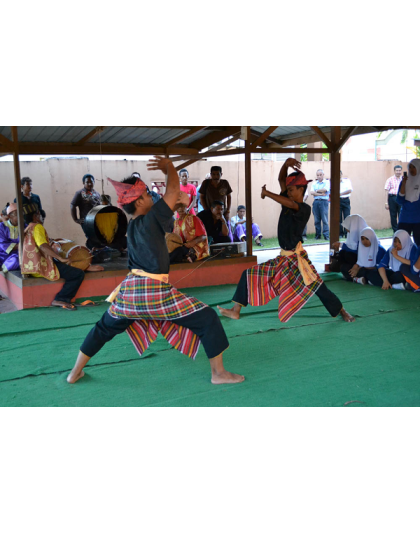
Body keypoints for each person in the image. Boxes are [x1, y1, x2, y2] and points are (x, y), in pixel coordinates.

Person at [67, 157, 244, 386]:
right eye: (148, 194)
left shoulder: (133, 226)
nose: (152, 196)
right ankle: (218, 374)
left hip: (130, 292)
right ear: (139, 202)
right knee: (208, 318)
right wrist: (169, 166)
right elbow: (172, 191)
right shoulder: (150, 219)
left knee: (103, 328)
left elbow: (172, 197)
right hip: (154, 291)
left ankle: (75, 372)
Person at [218, 158, 355, 324]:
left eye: (291, 190)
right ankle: (235, 310)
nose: (288, 192)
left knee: (318, 286)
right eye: (287, 190)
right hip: (283, 258)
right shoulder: (287, 202)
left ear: (301, 189)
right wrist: (285, 165)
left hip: (298, 259)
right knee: (248, 273)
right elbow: (281, 180)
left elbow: (290, 202)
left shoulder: (304, 208)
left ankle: (341, 310)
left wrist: (268, 194)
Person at [20, 210, 102, 309]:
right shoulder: (37, 227)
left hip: (32, 266)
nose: (42, 219)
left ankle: (86, 268)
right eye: (41, 216)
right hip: (41, 267)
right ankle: (61, 299)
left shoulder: (28, 227)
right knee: (77, 274)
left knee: (65, 265)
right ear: (35, 216)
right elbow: (43, 246)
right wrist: (59, 257)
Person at [70, 174, 101, 248]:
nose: (90, 184)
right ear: (83, 183)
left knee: (99, 238)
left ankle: (97, 255)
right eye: (87, 182)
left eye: (92, 182)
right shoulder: (79, 193)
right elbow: (72, 205)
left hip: (97, 221)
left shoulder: (97, 194)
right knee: (92, 238)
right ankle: (92, 256)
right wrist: (76, 219)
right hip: (86, 221)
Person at [396, 159, 420, 245]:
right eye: (409, 167)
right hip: (405, 217)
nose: (411, 169)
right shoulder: (404, 182)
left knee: (419, 244)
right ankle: (400, 258)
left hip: (418, 219)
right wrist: (404, 184)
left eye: (414, 167)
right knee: (400, 242)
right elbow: (399, 200)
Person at [310, 169, 330, 240]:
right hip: (316, 202)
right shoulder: (314, 183)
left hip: (324, 202)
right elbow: (312, 192)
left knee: (324, 219)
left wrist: (316, 191)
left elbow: (325, 189)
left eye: (320, 175)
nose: (319, 176)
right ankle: (318, 235)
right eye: (318, 175)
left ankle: (326, 235)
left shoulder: (327, 182)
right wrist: (320, 193)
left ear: (323, 175)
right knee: (317, 220)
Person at [0, 203, 20, 273]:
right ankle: (2, 270)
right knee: (15, 261)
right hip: (3, 255)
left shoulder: (25, 227)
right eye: (17, 214)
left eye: (21, 214)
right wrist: (20, 246)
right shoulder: (2, 227)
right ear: (9, 216)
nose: (20, 217)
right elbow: (3, 245)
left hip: (19, 254)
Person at [384, 165, 403, 233]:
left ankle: (401, 231)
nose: (398, 172)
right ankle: (395, 231)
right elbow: (386, 191)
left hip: (401, 198)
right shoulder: (390, 179)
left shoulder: (404, 179)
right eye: (397, 170)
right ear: (394, 171)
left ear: (401, 171)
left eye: (399, 170)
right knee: (393, 215)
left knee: (401, 214)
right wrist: (386, 203)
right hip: (392, 198)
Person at [339, 171, 353, 237]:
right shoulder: (334, 183)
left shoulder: (347, 181)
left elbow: (349, 190)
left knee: (347, 217)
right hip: (338, 201)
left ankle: (347, 233)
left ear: (341, 174)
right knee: (339, 218)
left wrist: (340, 194)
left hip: (346, 200)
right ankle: (340, 233)